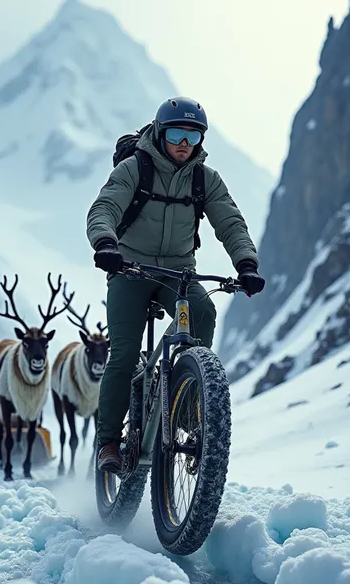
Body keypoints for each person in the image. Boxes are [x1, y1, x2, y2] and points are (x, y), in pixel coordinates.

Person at [86, 96, 265, 473]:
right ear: (160, 132)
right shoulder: (135, 168)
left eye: (193, 135)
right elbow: (105, 208)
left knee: (203, 311)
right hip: (129, 269)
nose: (185, 142)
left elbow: (230, 222)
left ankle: (186, 395)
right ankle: (107, 443)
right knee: (122, 353)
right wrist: (105, 243)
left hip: (179, 271)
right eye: (177, 133)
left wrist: (246, 263)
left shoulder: (205, 178)